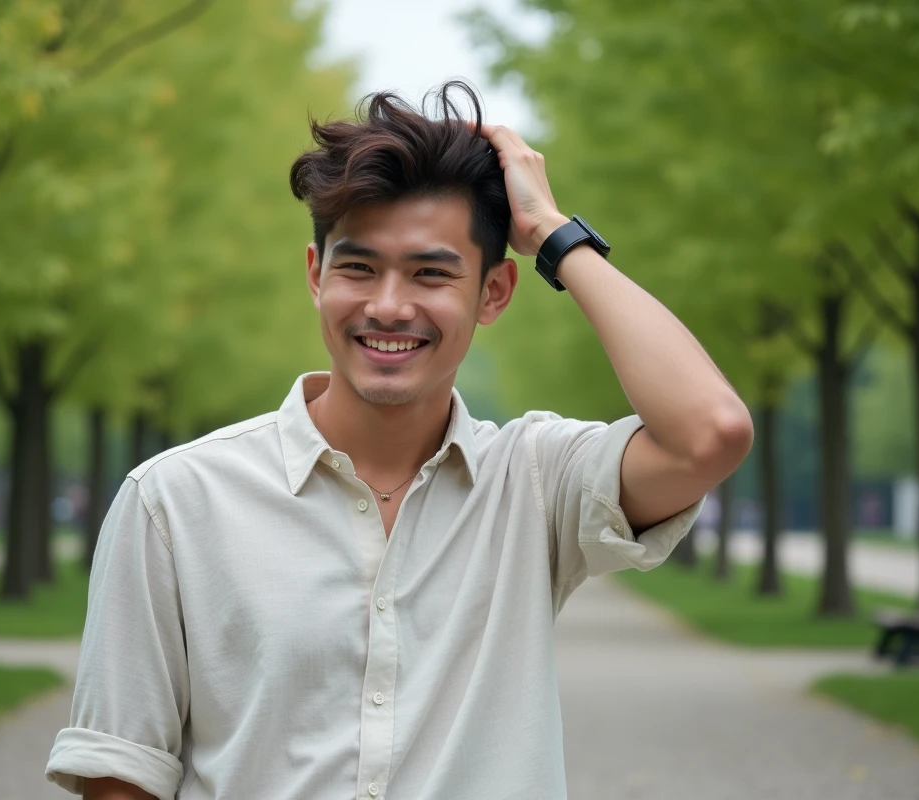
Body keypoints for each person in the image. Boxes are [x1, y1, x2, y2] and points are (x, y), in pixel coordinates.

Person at [45, 82, 753, 800]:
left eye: (431, 273)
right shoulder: (173, 501)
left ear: (495, 293)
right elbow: (120, 778)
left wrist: (551, 232)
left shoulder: (534, 482)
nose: (389, 305)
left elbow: (710, 434)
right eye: (358, 267)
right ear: (316, 276)